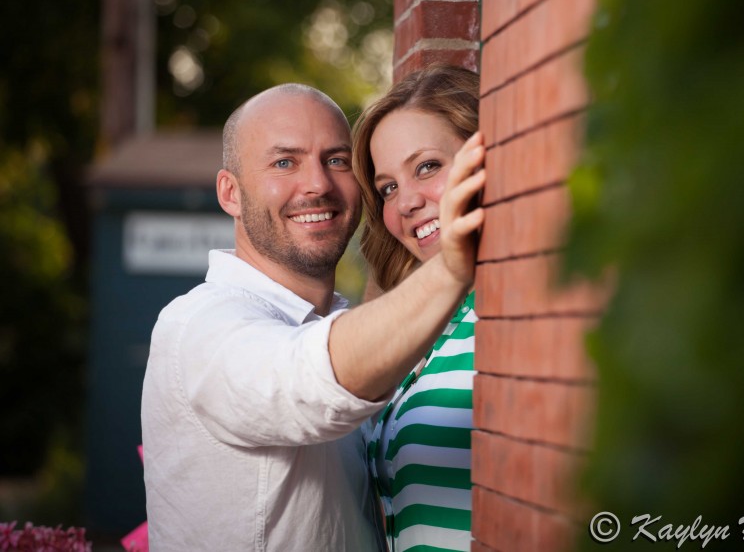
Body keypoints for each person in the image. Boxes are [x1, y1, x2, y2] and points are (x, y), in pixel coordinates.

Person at [140, 82, 485, 551]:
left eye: (337, 160)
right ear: (231, 193)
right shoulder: (199, 325)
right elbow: (305, 377)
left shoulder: (354, 325)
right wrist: (449, 268)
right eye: (285, 162)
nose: (318, 184)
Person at [351, 65, 480, 552]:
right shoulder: (437, 321)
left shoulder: (522, 308)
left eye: (426, 166)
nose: (405, 203)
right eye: (387, 188)